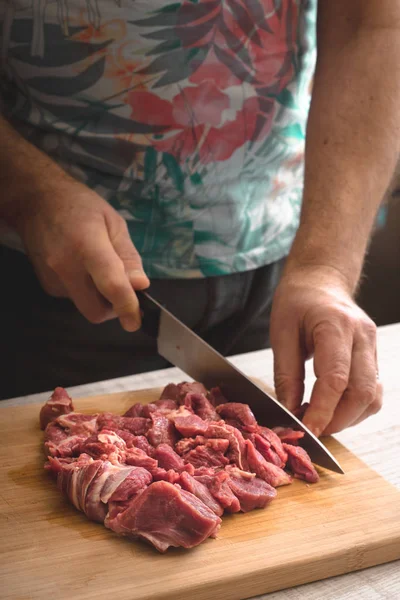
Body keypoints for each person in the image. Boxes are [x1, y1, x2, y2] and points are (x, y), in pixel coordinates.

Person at [0, 1, 398, 437]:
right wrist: (30, 192)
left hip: (282, 271)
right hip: (67, 278)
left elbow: (372, 23)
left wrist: (326, 267)